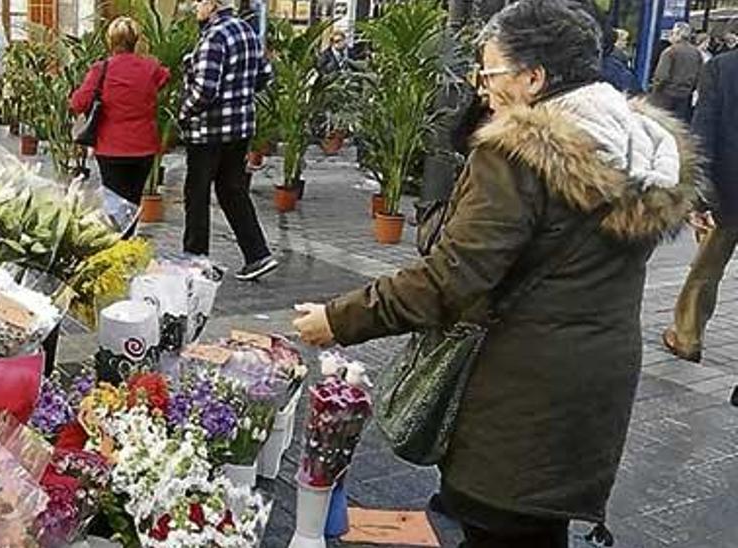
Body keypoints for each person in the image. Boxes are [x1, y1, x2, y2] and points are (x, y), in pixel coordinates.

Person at [293, 0, 697, 546]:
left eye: (490, 71)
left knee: (497, 525)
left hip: (515, 391)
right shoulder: (635, 143)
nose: (481, 86)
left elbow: (451, 277)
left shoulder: (520, 154)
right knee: (533, 529)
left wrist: (337, 319)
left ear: (534, 77)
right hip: (591, 381)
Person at [180, 0, 279, 281]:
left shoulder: (214, 36)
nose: (194, 7)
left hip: (208, 131)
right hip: (240, 127)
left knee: (197, 194)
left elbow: (205, 91)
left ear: (211, 4)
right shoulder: (247, 31)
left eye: (198, 2)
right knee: (232, 190)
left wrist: (184, 111)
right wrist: (239, 91)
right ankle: (257, 254)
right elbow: (264, 76)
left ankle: (195, 261)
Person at [662, 48, 738, 365]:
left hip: (728, 189)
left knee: (707, 268)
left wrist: (699, 193)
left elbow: (703, 131)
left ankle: (688, 336)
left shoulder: (723, 67)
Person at [69, 17, 170, 226]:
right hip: (144, 147)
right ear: (136, 41)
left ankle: (117, 249)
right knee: (133, 201)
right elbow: (164, 78)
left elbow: (78, 103)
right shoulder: (150, 67)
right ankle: (128, 246)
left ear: (110, 41)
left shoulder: (101, 69)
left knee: (113, 205)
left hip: (111, 147)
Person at [651, 22, 704, 122]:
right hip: (685, 96)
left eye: (673, 33)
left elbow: (661, 76)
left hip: (666, 96)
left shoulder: (670, 51)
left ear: (679, 35)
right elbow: (699, 76)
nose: (670, 36)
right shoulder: (696, 53)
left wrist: (655, 90)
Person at [601, 28, 639, 93]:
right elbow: (631, 86)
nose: (626, 43)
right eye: (624, 40)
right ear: (616, 42)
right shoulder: (613, 64)